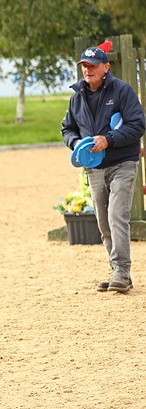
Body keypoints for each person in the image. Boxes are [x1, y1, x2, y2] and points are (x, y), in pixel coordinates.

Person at [61, 45, 146, 293]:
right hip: (94, 167)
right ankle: (118, 272)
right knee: (103, 223)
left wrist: (108, 139)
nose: (88, 70)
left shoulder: (123, 90)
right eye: (85, 66)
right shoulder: (76, 96)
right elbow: (67, 129)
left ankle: (121, 270)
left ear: (106, 67)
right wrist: (76, 144)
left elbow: (138, 125)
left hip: (123, 163)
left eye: (93, 65)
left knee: (116, 215)